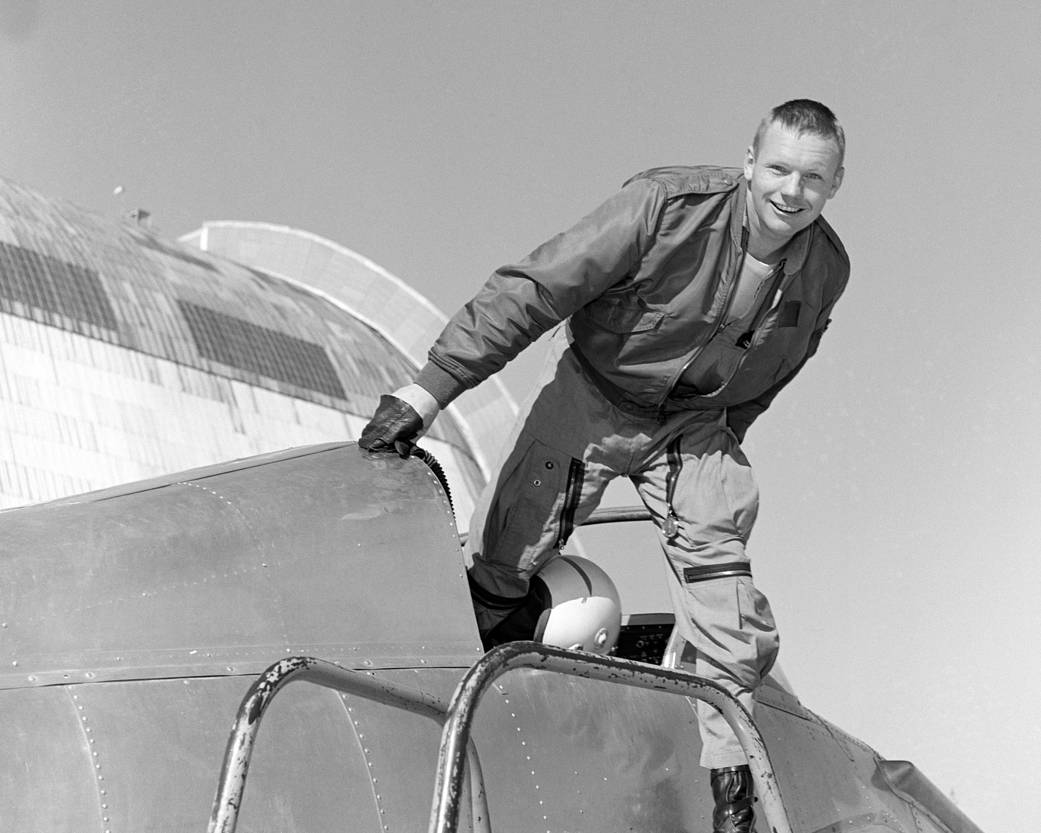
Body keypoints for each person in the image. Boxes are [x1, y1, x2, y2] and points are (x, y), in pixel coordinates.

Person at [360, 98, 848, 833]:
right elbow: (536, 289)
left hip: (693, 425)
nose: (791, 191)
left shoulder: (825, 270)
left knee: (727, 604)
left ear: (833, 185)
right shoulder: (662, 208)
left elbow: (777, 368)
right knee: (501, 561)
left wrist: (717, 451)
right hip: (595, 393)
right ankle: (449, 731)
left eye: (812, 178)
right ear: (748, 163)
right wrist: (429, 391)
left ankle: (730, 788)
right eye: (778, 168)